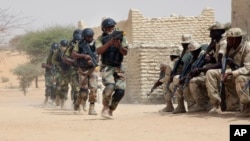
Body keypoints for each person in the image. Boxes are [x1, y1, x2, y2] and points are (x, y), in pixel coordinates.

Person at [187, 22, 228, 112]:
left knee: (209, 72)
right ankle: (201, 104)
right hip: (218, 70)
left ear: (219, 32)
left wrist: (201, 69)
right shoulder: (216, 43)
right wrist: (209, 49)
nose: (210, 35)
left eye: (212, 32)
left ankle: (216, 105)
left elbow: (220, 64)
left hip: (225, 69)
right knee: (193, 81)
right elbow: (213, 60)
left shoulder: (223, 43)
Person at [95, 18, 129, 119]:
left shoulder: (121, 37)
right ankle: (105, 108)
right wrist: (109, 43)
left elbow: (125, 52)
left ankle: (111, 110)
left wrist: (118, 46)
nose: (110, 29)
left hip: (119, 66)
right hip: (107, 66)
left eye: (112, 27)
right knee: (110, 86)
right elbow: (98, 51)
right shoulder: (100, 39)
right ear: (103, 28)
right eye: (108, 27)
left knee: (120, 91)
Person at [216, 27, 250, 116]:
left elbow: (248, 68)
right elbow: (221, 62)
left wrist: (231, 72)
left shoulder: (248, 47)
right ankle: (230, 105)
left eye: (229, 39)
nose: (227, 40)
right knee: (217, 74)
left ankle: (248, 108)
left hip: (246, 74)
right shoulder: (230, 48)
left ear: (235, 39)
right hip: (239, 71)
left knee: (240, 78)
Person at [71, 28, 98, 115]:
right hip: (82, 69)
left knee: (93, 89)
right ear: (84, 37)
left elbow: (98, 54)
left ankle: (92, 108)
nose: (90, 38)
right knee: (84, 91)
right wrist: (84, 56)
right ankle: (78, 104)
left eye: (91, 36)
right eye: (88, 36)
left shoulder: (95, 43)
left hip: (92, 69)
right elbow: (74, 54)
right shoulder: (79, 44)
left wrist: (94, 61)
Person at [149, 49, 181, 113]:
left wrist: (158, 82)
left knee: (165, 85)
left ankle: (170, 106)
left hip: (177, 81)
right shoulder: (182, 62)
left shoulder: (170, 65)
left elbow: (167, 78)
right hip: (182, 79)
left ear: (171, 57)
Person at [168, 34, 193, 114]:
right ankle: (180, 106)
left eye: (186, 44)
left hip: (191, 74)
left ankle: (191, 105)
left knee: (180, 83)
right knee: (172, 85)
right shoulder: (184, 52)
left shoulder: (192, 51)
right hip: (184, 74)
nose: (184, 45)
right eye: (183, 44)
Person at [63, 29, 82, 105]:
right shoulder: (70, 45)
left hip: (84, 67)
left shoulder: (85, 43)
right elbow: (65, 57)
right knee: (75, 87)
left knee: (83, 87)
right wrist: (73, 62)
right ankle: (75, 102)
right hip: (74, 68)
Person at [51, 39, 72, 109]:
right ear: (60, 46)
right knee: (63, 87)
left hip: (71, 70)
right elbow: (53, 60)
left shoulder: (70, 51)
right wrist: (59, 64)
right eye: (63, 46)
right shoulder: (57, 52)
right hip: (61, 71)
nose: (64, 47)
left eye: (65, 46)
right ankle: (62, 102)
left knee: (75, 87)